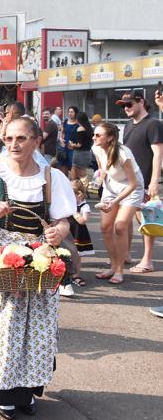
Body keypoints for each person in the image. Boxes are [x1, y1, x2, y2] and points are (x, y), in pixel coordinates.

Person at [0, 117, 76, 420]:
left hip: (39, 263)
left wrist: (59, 232)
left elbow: (64, 219)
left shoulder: (52, 178)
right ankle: (4, 393)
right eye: (9, 139)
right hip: (2, 265)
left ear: (36, 141)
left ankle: (26, 391)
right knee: (5, 327)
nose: (14, 144)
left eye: (21, 138)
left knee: (36, 328)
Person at [92, 121, 143, 285]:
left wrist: (115, 202)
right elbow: (104, 170)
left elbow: (133, 184)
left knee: (120, 227)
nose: (94, 137)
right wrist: (97, 181)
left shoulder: (123, 153)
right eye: (94, 134)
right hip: (111, 188)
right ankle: (113, 266)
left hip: (131, 188)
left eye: (98, 135)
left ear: (110, 138)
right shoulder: (96, 149)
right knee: (105, 228)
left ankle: (120, 270)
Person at [119, 91, 163, 275]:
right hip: (130, 182)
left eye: (129, 104)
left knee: (146, 220)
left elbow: (158, 154)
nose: (126, 108)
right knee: (128, 219)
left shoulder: (153, 124)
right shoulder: (128, 126)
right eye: (123, 106)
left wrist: (153, 181)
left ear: (141, 102)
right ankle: (127, 254)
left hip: (146, 182)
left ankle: (147, 260)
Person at [68, 111, 93, 181]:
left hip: (79, 154)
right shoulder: (90, 128)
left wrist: (72, 144)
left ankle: (77, 189)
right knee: (83, 172)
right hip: (87, 153)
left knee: (76, 173)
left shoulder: (80, 129)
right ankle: (83, 189)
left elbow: (79, 145)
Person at [60, 106, 79, 172]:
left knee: (72, 167)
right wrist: (61, 139)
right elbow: (62, 133)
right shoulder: (65, 122)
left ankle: (72, 181)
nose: (70, 113)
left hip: (72, 148)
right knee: (62, 165)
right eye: (69, 112)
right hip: (64, 147)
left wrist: (75, 145)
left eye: (72, 112)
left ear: (76, 113)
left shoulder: (78, 124)